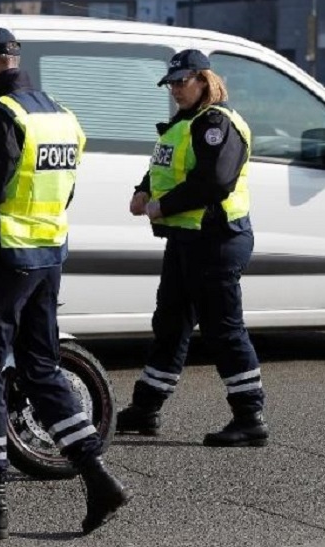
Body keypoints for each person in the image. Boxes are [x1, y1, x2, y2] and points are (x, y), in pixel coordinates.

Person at [0, 27, 130, 540]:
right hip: (47, 257)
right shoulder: (59, 115)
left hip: (6, 259)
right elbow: (63, 190)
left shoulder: (1, 114)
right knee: (41, 369)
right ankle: (97, 475)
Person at [116, 49, 268, 448]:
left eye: (183, 81)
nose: (176, 89)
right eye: (171, 83)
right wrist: (142, 190)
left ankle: (250, 417)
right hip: (187, 239)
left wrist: (161, 206)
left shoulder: (216, 123)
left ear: (204, 80)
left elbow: (214, 182)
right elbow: (165, 167)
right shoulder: (183, 125)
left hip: (217, 239)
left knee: (223, 329)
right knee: (169, 324)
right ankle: (145, 409)